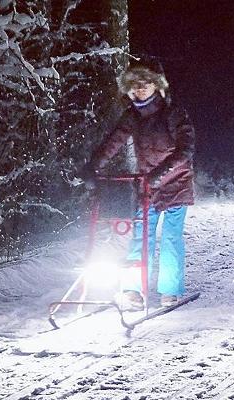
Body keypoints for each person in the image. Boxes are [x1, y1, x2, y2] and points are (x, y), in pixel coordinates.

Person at [83, 58, 195, 310]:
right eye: (134, 86)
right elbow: (114, 141)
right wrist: (94, 166)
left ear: (157, 85)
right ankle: (133, 289)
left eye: (144, 85)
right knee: (140, 235)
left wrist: (160, 173)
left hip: (176, 183)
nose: (139, 90)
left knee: (170, 238)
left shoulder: (173, 112)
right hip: (147, 186)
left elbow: (185, 150)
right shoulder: (132, 116)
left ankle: (169, 291)